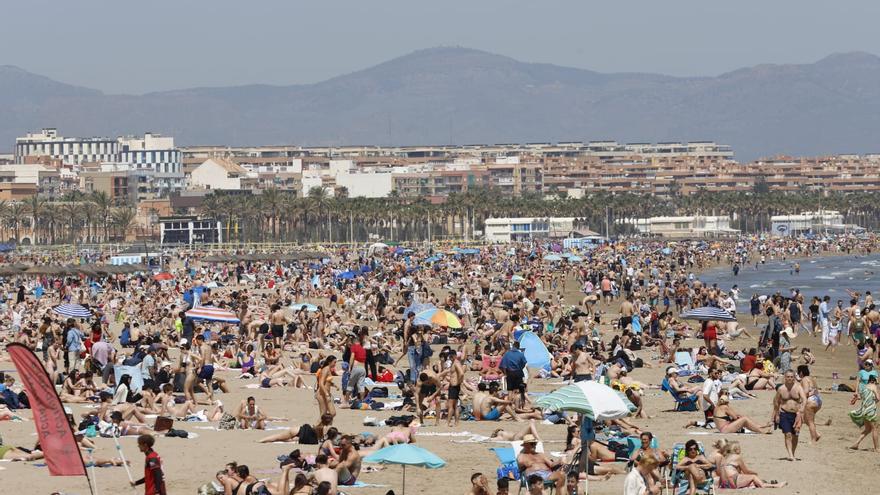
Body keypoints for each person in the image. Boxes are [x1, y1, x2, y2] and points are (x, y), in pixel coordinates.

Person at [717, 440, 787, 489]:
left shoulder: (724, 458)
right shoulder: (737, 457)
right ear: (736, 449)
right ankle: (776, 486)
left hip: (725, 484)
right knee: (753, 477)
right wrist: (755, 473)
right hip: (733, 480)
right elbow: (746, 471)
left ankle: (767, 483)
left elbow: (722, 472)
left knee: (752, 482)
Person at [772, 369, 805, 461]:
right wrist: (777, 415)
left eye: (791, 377)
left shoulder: (798, 388)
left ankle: (793, 454)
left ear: (794, 378)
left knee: (795, 435)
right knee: (788, 434)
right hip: (784, 413)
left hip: (796, 415)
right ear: (785, 378)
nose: (790, 378)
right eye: (788, 377)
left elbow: (804, 399)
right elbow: (776, 402)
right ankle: (790, 455)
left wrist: (802, 409)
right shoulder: (781, 389)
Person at [848, 374, 879, 452]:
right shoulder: (873, 386)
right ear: (874, 380)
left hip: (864, 410)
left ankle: (856, 444)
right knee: (875, 429)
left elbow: (860, 397)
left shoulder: (864, 387)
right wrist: (874, 401)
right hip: (870, 411)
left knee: (868, 429)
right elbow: (878, 398)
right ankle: (876, 448)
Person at [797, 365, 823, 442]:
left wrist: (801, 402)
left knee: (810, 421)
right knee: (806, 419)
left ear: (801, 372)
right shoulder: (812, 378)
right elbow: (815, 390)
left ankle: (813, 439)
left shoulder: (804, 379)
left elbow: (806, 391)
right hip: (818, 400)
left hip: (811, 401)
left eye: (798, 372)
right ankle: (816, 434)